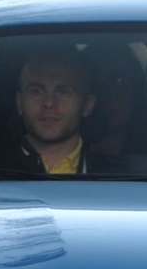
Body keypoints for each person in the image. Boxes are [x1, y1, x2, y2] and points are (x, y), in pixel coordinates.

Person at [9, 47, 96, 175]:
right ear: (19, 102)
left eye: (63, 92)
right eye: (37, 91)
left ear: (87, 105)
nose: (49, 103)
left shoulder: (120, 177)